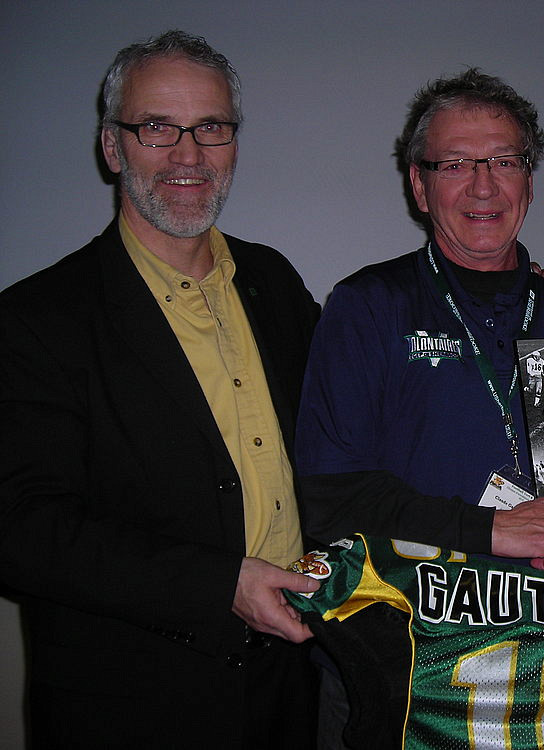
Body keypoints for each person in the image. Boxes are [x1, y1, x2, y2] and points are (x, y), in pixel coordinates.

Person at [0, 31, 321, 748]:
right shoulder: (36, 318)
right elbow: (21, 528)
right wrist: (220, 585)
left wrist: (503, 289)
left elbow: (357, 424)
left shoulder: (274, 281)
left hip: (291, 685)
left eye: (210, 127)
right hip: (130, 703)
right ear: (113, 147)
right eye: (157, 127)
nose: (188, 155)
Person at [295, 69, 544, 746]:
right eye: (455, 164)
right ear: (419, 185)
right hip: (404, 661)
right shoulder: (367, 307)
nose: (484, 185)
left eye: (504, 161)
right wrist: (489, 531)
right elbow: (329, 499)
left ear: (529, 181)